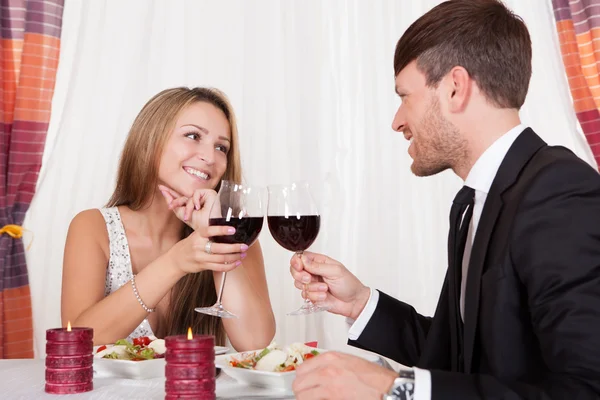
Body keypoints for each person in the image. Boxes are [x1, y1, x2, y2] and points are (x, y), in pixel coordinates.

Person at [290, 1, 600, 399]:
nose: (397, 121)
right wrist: (360, 303)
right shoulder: (472, 204)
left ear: (455, 87)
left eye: (406, 96)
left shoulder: (560, 192)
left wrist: (394, 387)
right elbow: (457, 359)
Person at [61, 87, 275, 350]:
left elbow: (254, 343)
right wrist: (176, 262)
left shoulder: (235, 235)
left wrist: (215, 234)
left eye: (221, 147)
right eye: (193, 135)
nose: (210, 157)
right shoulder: (93, 227)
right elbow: (76, 343)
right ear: (151, 140)